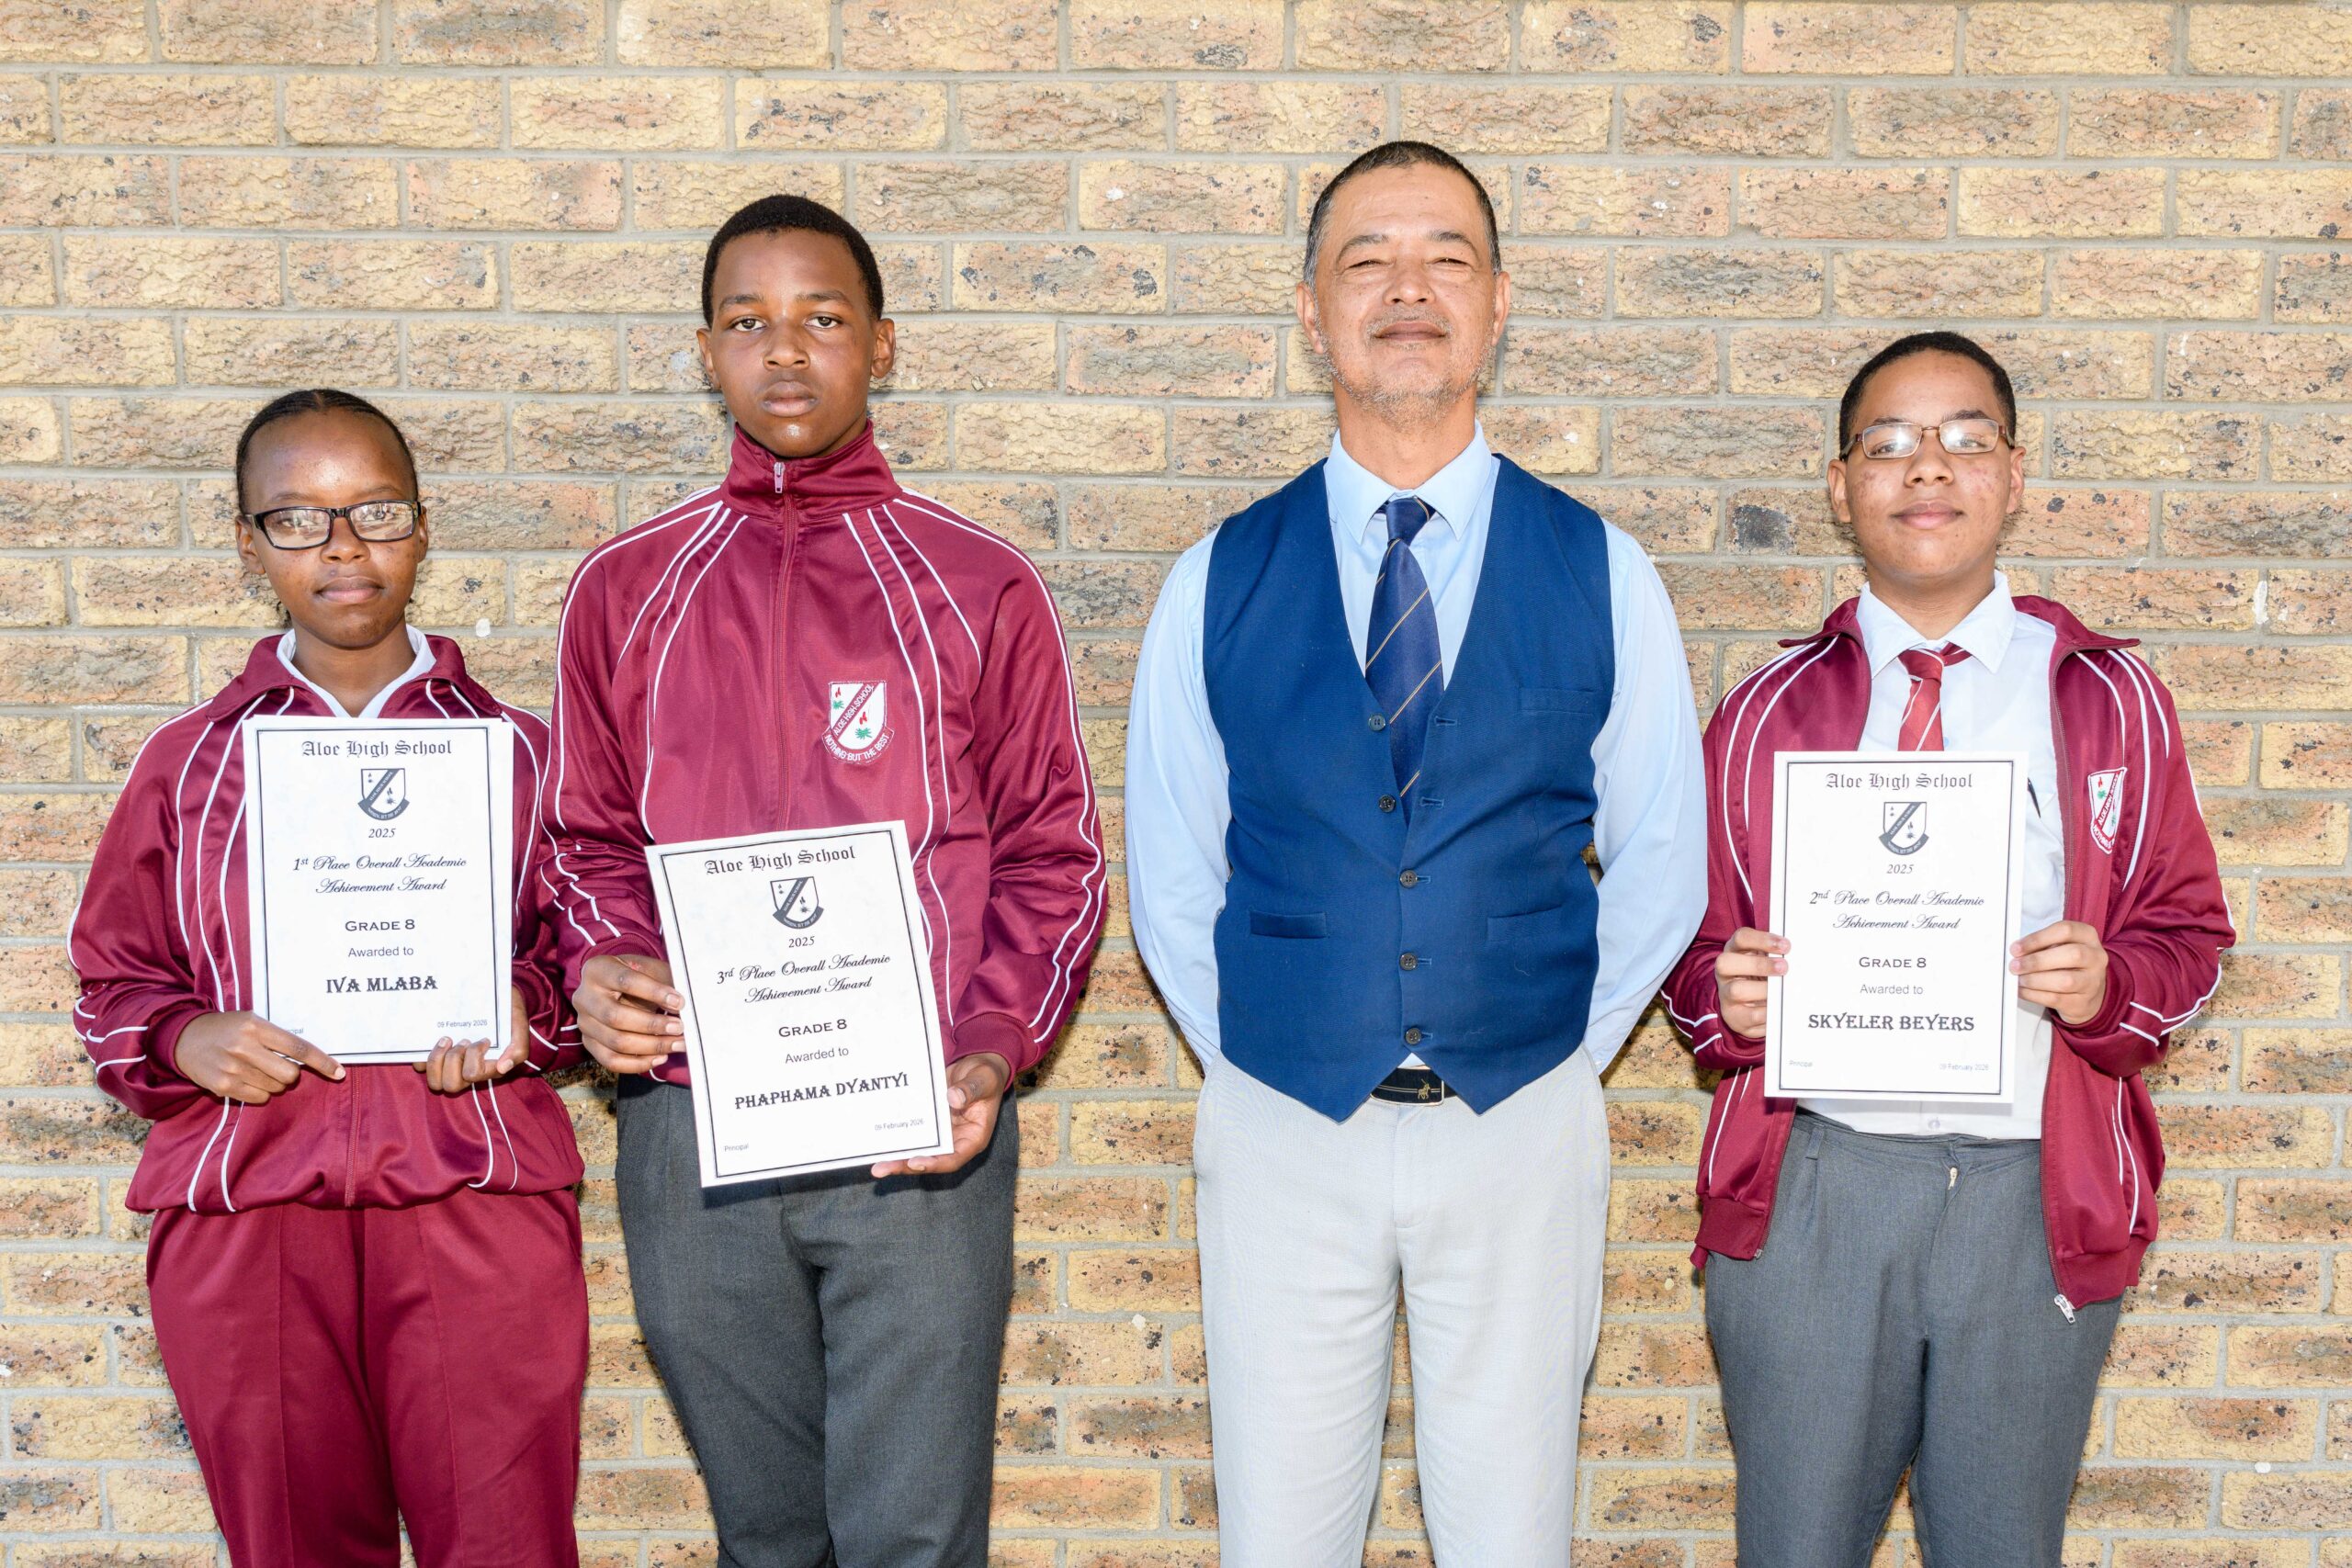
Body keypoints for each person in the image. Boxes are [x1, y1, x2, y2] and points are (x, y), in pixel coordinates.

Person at [1125, 141, 1706, 1567]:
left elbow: (1663, 859)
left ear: (1497, 302)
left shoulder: (1605, 569)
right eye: (1366, 260)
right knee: (1280, 1536)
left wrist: (1550, 1057)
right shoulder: (1214, 577)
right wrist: (1272, 1051)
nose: (1407, 289)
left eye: (1446, 257)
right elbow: (1174, 868)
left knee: (1512, 1535)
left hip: (1520, 1126)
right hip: (1283, 1127)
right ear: (1311, 310)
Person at [545, 194, 1104, 1568]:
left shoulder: (979, 584)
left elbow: (1054, 849)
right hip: (694, 1124)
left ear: (882, 345)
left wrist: (990, 1046)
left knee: (913, 1535)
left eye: (823, 318)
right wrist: (603, 967)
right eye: (748, 322)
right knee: (767, 1535)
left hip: (918, 1133)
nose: (785, 351)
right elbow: (584, 839)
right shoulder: (625, 588)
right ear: (706, 352)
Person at [1663, 331, 2233, 1566]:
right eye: (1890, 444)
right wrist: (1726, 995)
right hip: (1816, 1185)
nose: (1928, 467)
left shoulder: (2108, 696)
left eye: (1965, 439)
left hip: (2033, 1185)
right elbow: (1688, 944)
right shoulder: (1764, 709)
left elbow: (2189, 934)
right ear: (1841, 485)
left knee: (2001, 1548)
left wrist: (2109, 985)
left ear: (2014, 474)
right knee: (1794, 1545)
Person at [71, 389, 588, 1567]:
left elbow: (591, 957)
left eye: (376, 512)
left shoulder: (522, 756)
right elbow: (113, 981)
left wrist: (531, 1010)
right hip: (248, 1206)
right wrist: (181, 1038)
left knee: (506, 1543)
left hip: (472, 1190)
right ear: (248, 544)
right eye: (297, 519)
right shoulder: (186, 765)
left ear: (423, 527)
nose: (343, 548)